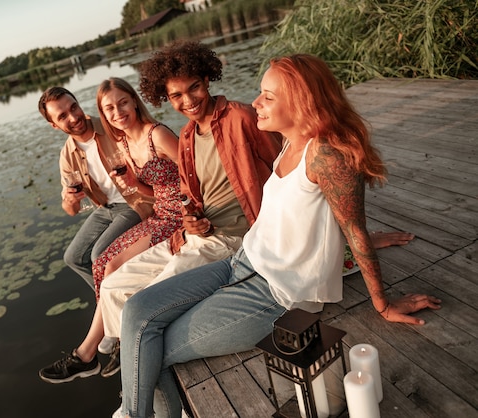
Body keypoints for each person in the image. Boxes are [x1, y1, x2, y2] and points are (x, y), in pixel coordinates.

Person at [115, 54, 442, 418]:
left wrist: (383, 304)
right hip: (239, 264)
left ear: (302, 103)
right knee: (136, 310)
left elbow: (354, 227)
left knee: (146, 351)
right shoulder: (288, 142)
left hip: (275, 295)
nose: (256, 102)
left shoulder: (326, 155)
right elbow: (309, 217)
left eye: (268, 96)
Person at [97, 40, 282, 359]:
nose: (188, 100)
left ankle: (149, 366)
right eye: (176, 95)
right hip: (194, 238)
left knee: (147, 303)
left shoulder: (241, 117)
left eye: (193, 87)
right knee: (113, 287)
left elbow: (286, 171)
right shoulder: (185, 137)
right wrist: (190, 218)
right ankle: (129, 360)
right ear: (165, 98)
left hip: (233, 239)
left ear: (207, 80)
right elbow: (190, 197)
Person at [38, 78, 182, 383]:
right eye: (62, 116)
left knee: (100, 254)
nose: (73, 117)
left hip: (136, 203)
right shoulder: (67, 155)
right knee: (73, 257)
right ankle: (110, 316)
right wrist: (68, 199)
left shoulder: (111, 124)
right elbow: (71, 210)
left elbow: (149, 147)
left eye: (73, 107)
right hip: (106, 208)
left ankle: (109, 332)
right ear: (53, 124)